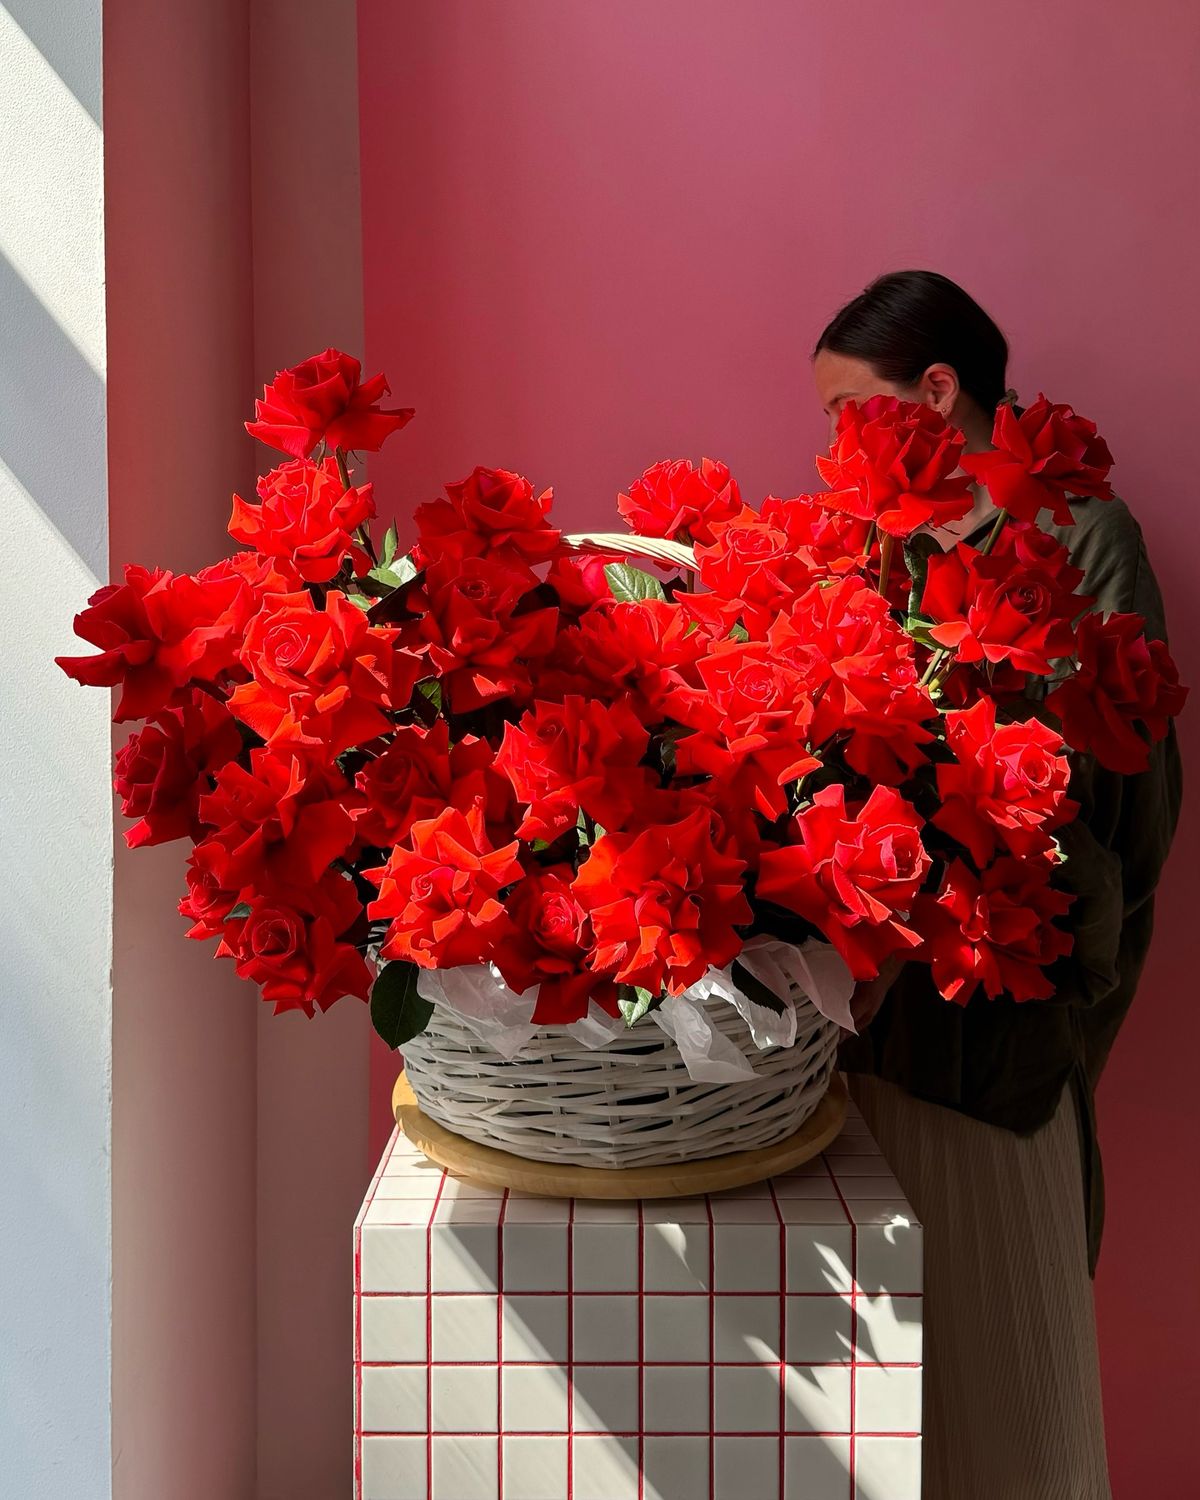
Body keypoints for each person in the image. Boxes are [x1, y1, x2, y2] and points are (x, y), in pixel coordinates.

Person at [811, 270, 1183, 1500]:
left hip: (1005, 1000)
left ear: (937, 389)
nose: (835, 441)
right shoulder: (874, 533)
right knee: (886, 1371)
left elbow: (1130, 786)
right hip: (873, 1002)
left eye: (848, 409)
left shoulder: (1083, 533)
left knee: (1007, 1359)